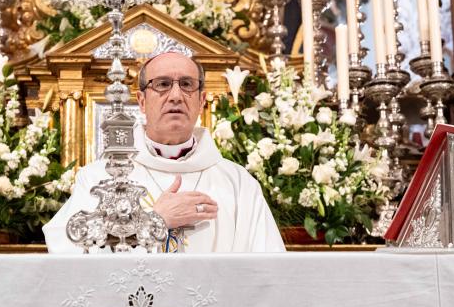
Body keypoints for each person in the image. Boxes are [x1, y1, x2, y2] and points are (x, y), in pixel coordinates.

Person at [43, 52, 286, 253]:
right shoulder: (99, 178)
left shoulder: (238, 184)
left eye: (187, 84)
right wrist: (154, 221)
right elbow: (66, 251)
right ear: (141, 101)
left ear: (201, 100)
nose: (176, 96)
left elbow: (268, 268)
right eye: (162, 84)